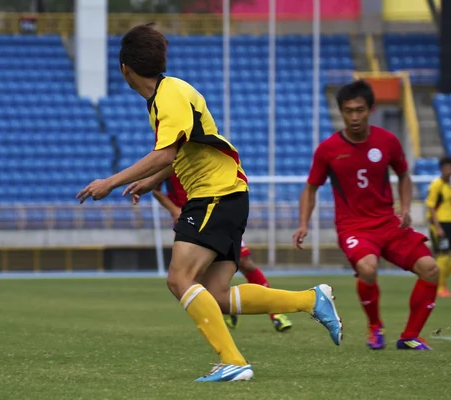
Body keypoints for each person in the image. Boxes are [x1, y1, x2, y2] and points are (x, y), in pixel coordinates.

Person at [77, 24, 342, 382]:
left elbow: (166, 151)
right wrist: (153, 180)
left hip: (214, 194)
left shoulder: (167, 96)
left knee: (179, 278)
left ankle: (234, 361)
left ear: (124, 68)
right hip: (226, 194)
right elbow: (183, 150)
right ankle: (311, 301)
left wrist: (110, 182)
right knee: (216, 294)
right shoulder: (170, 92)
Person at [293, 80, 439, 351]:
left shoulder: (387, 141)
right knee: (368, 268)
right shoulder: (328, 150)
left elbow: (404, 174)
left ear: (371, 109)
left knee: (430, 269)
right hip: (353, 227)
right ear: (341, 111)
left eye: (360, 110)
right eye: (348, 111)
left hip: (388, 223)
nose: (354, 116)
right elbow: (310, 189)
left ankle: (410, 336)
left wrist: (405, 207)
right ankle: (375, 328)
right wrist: (303, 224)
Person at [152, 173, 292, 332]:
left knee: (246, 263)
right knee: (192, 276)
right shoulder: (170, 156)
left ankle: (276, 313)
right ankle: (220, 311)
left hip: (217, 216)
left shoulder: (209, 153)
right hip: (189, 223)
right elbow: (155, 189)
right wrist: (174, 210)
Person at [426, 156, 451, 297]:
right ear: (442, 169)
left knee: (449, 258)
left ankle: (437, 282)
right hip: (440, 225)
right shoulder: (437, 185)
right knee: (443, 256)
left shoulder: (449, 186)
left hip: (450, 223)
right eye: (447, 167)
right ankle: (440, 287)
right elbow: (430, 207)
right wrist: (438, 227)